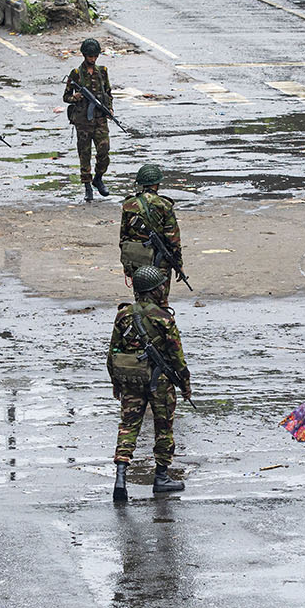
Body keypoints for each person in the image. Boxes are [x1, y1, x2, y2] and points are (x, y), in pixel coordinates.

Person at [108, 266, 190, 501]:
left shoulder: (123, 315)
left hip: (131, 380)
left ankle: (121, 478)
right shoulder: (163, 318)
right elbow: (177, 355)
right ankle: (161, 477)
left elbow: (113, 351)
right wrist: (185, 383)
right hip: (160, 382)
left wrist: (116, 381)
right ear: (154, 290)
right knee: (163, 428)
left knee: (128, 425)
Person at [119, 163, 182, 302]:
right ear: (157, 183)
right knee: (161, 299)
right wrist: (178, 264)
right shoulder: (164, 205)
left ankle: (141, 322)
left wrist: (127, 262)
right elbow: (173, 238)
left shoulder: (129, 205)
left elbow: (124, 236)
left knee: (140, 298)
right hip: (160, 260)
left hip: (137, 258)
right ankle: (160, 322)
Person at [63, 38, 114, 201]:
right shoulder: (76, 74)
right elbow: (66, 97)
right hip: (83, 121)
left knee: (104, 150)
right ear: (85, 55)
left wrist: (110, 108)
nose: (93, 59)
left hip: (100, 119)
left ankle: (98, 178)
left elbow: (108, 92)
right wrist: (75, 97)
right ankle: (87, 186)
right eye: (90, 56)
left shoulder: (103, 71)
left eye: (95, 56)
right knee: (84, 154)